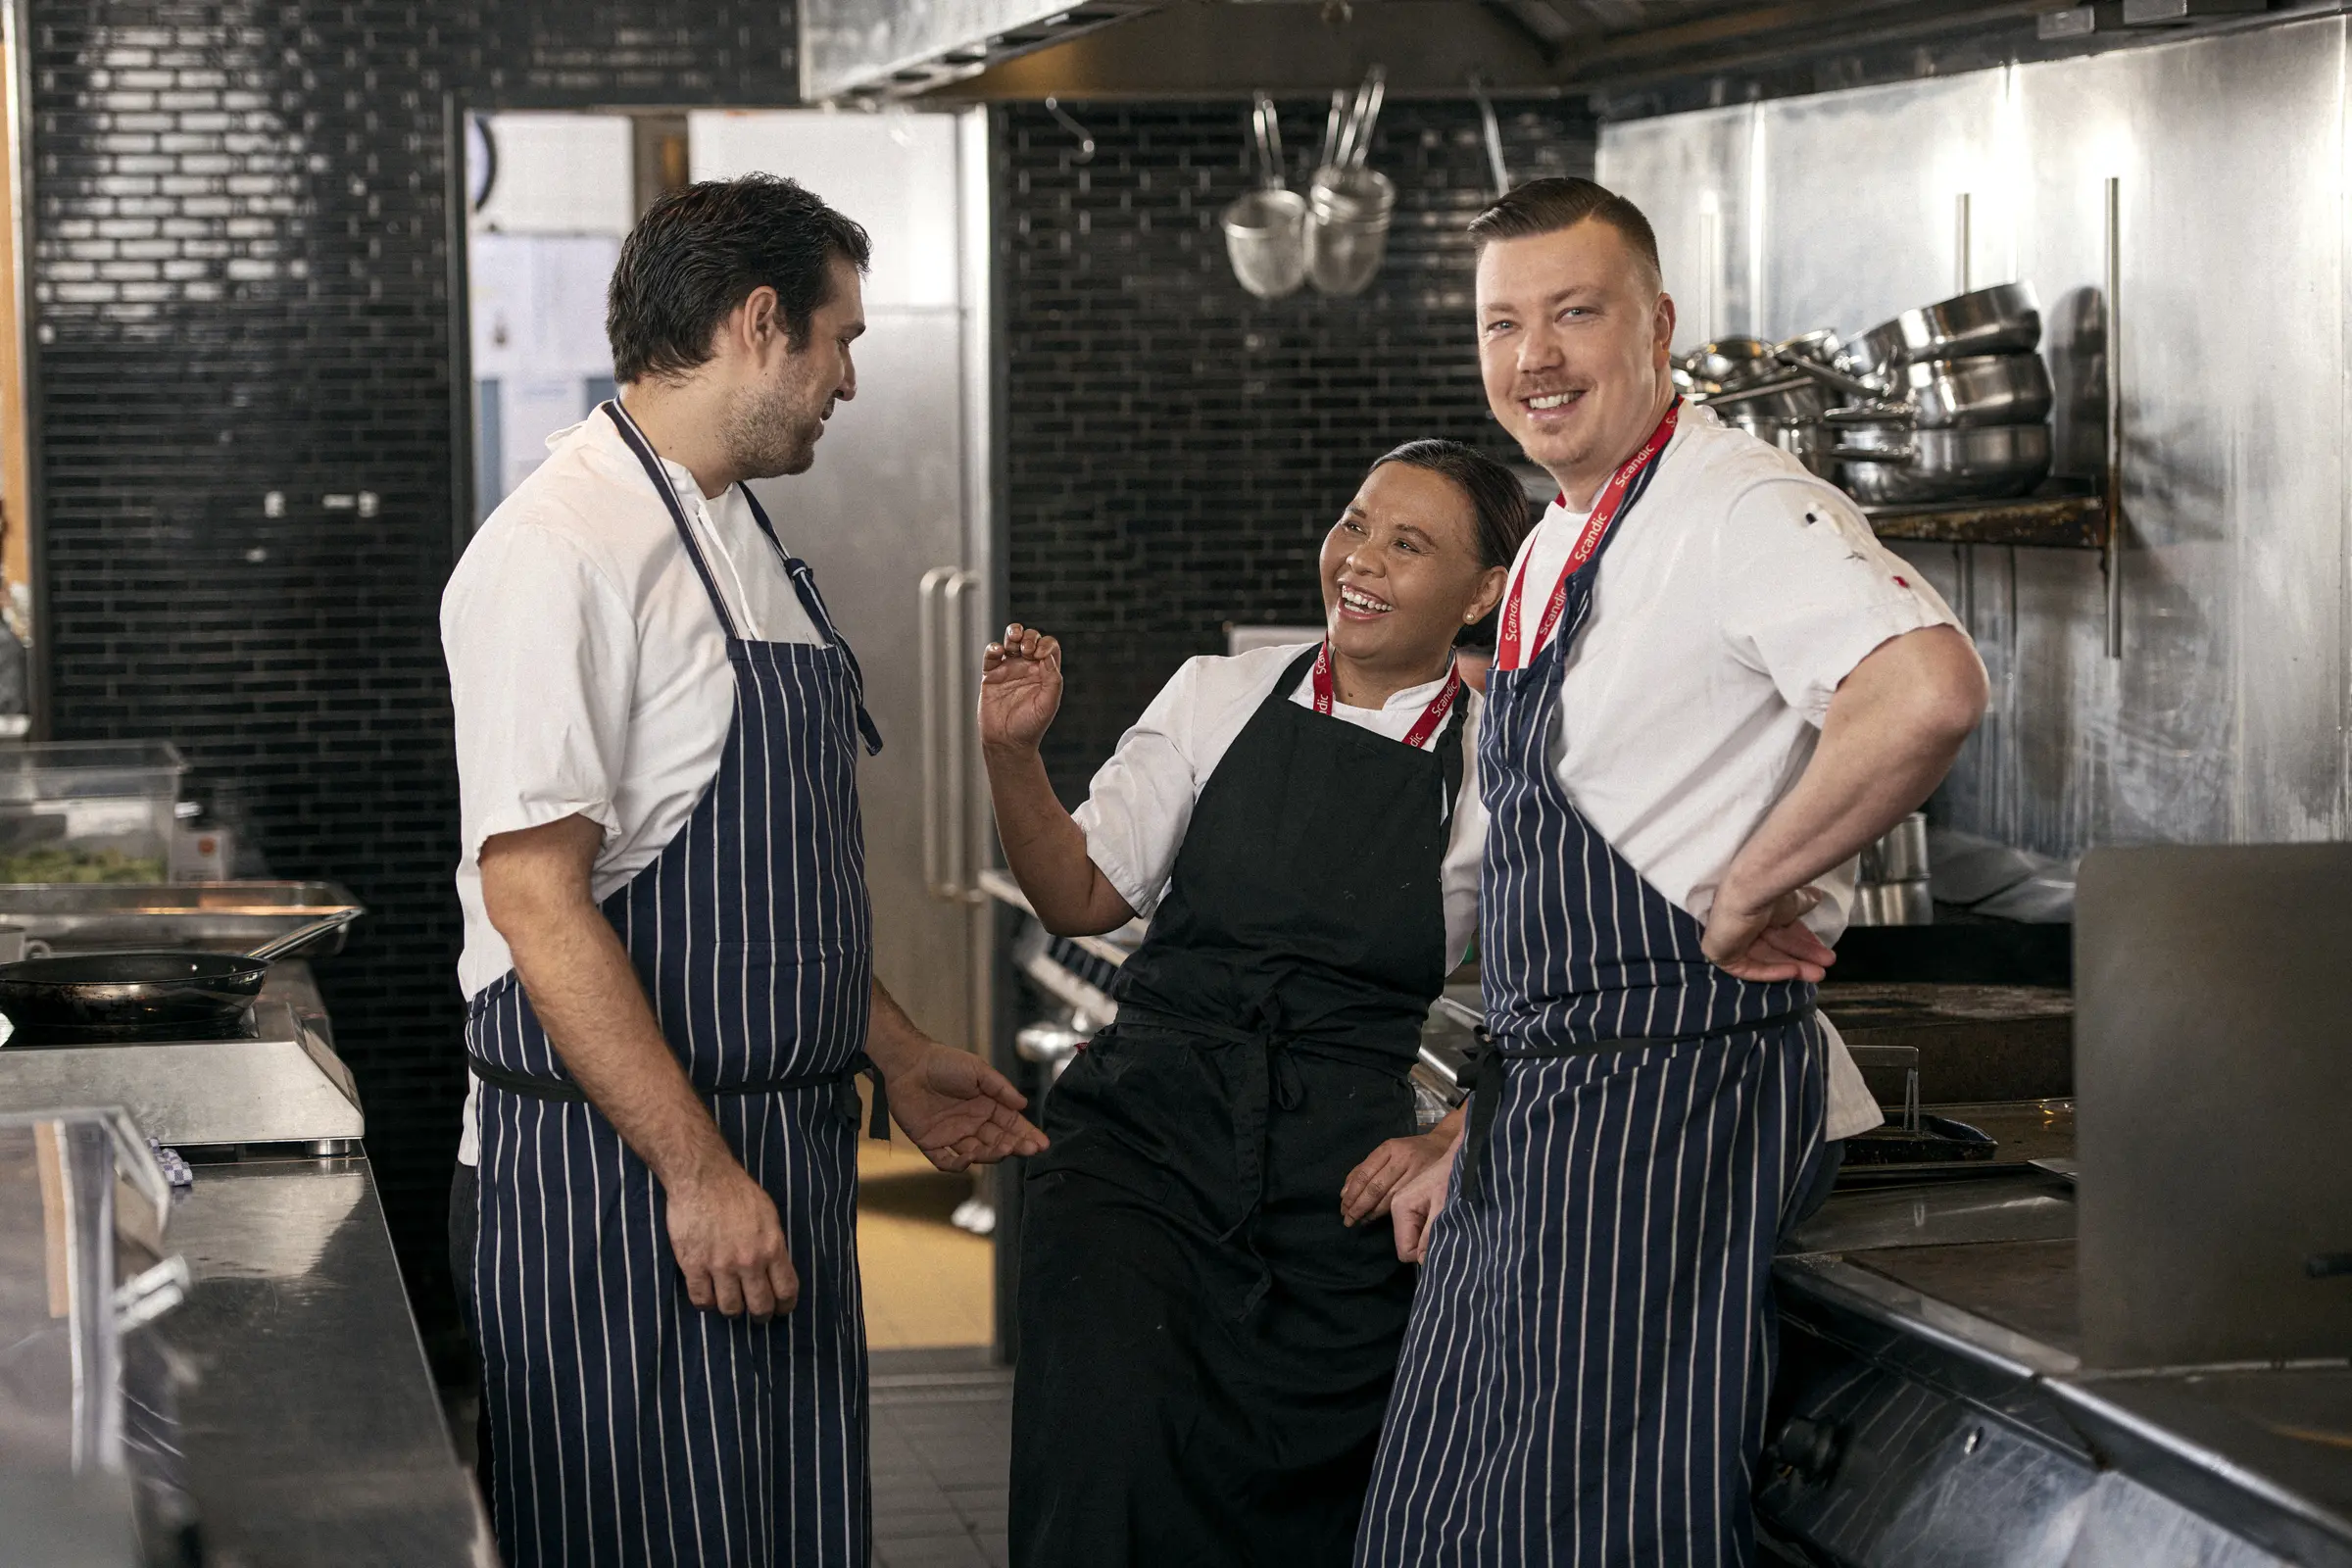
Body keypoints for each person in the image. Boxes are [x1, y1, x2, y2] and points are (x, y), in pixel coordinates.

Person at [1356, 179, 1988, 1565]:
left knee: (1588, 1529)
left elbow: (1928, 688)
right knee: (1447, 1522)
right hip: (1551, 1114)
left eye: (1576, 315)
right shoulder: (1562, 537)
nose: (1536, 359)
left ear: (1659, 327)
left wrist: (1756, 880)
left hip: (1671, 1117)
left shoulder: (1738, 505)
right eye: (1503, 323)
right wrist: (1484, 1127)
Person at [440, 174, 1046, 1568]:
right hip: (619, 1188)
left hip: (779, 1156)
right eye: (840, 340)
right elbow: (539, 901)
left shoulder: (738, 534)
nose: (845, 380)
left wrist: (888, 1046)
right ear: (758, 322)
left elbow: (778, 873)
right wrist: (698, 1172)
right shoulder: (558, 552)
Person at [981, 441, 1536, 1567]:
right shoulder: (1218, 691)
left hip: (1334, 1188)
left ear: (1485, 592)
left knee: (1313, 1517)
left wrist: (1461, 1127)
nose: (1361, 560)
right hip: (1145, 1142)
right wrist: (1012, 755)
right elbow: (1078, 894)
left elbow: (1562, 988)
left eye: (1408, 543)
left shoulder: (1504, 767)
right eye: (1356, 522)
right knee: (1105, 1473)